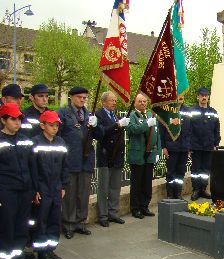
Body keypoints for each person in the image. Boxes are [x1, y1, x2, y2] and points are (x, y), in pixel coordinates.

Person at [57, 87, 101, 239]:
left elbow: (99, 135)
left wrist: (96, 125)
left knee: (83, 193)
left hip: (86, 159)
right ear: (71, 97)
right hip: (70, 159)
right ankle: (68, 224)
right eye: (79, 97)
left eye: (84, 98)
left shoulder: (89, 114)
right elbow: (58, 135)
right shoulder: (63, 113)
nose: (82, 100)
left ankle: (80, 222)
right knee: (69, 194)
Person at [0, 103, 37, 259]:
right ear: (3, 120)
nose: (17, 122)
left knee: (22, 228)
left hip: (25, 190)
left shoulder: (25, 140)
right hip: (7, 191)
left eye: (19, 119)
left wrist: (35, 189)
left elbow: (32, 166)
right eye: (13, 119)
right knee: (8, 228)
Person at [31, 111, 68, 259]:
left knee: (54, 219)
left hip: (56, 187)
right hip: (42, 187)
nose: (54, 128)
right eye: (51, 125)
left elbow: (65, 166)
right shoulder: (35, 143)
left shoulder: (60, 142)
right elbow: (32, 169)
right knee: (42, 220)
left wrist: (64, 185)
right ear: (42, 126)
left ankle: (50, 248)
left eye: (56, 125)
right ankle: (41, 252)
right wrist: (35, 190)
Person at [95, 91, 128, 227]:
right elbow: (101, 133)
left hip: (117, 156)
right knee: (103, 187)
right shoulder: (99, 115)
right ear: (104, 102)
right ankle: (103, 215)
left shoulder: (114, 115)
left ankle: (113, 213)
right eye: (111, 100)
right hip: (105, 155)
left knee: (115, 186)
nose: (114, 103)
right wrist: (117, 125)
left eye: (115, 100)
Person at [126, 94, 161, 219]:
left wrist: (157, 151)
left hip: (150, 154)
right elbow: (133, 129)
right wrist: (147, 124)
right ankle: (135, 208)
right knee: (137, 183)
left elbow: (157, 135)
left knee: (147, 182)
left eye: (144, 101)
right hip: (138, 154)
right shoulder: (132, 115)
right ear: (135, 103)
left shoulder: (151, 115)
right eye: (140, 101)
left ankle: (144, 206)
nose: (142, 103)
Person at [189, 87, 221, 201]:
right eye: (202, 95)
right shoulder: (192, 111)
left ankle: (203, 189)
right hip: (195, 146)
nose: (204, 97)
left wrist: (216, 143)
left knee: (206, 170)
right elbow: (188, 129)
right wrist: (189, 146)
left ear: (208, 97)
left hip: (208, 146)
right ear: (198, 97)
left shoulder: (213, 112)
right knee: (196, 169)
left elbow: (217, 129)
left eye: (206, 95)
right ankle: (196, 189)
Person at [159, 96, 191, 199]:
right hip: (171, 147)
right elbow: (161, 130)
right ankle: (170, 194)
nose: (181, 97)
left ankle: (177, 193)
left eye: (182, 95)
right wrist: (163, 146)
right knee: (171, 172)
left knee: (181, 172)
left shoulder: (188, 111)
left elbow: (191, 129)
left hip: (184, 147)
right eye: (178, 94)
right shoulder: (167, 110)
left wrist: (189, 147)